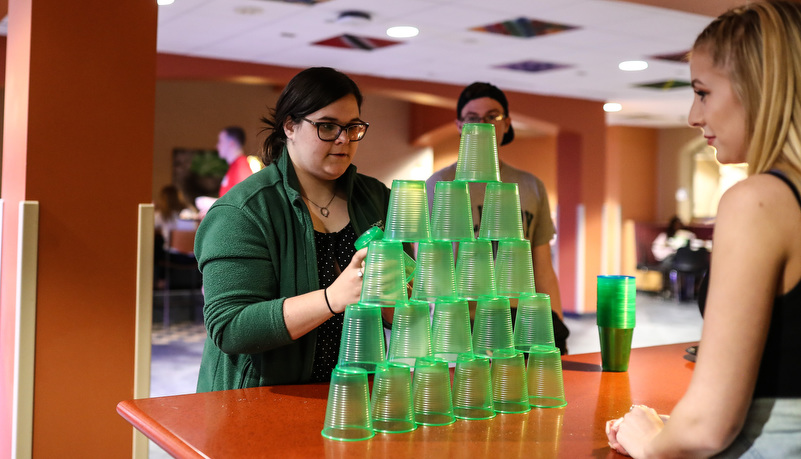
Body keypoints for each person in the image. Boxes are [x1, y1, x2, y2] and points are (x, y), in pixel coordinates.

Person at [606, 2, 801, 456]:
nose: (694, 116)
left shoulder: (757, 200)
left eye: (703, 92)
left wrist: (649, 439)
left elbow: (706, 429)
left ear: (760, 87)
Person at [194, 67, 392, 392]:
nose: (343, 139)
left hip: (354, 394)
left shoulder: (376, 198)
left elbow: (398, 306)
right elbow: (230, 327)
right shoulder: (244, 210)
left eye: (352, 127)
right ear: (290, 126)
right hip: (258, 400)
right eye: (327, 126)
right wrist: (331, 299)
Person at [425, 82, 570, 354]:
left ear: (507, 124)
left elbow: (542, 267)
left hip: (521, 317)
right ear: (459, 126)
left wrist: (555, 326)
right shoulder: (440, 184)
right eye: (472, 118)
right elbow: (429, 268)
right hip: (462, 320)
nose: (483, 125)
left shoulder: (530, 186)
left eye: (493, 116)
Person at [195, 126, 256, 217]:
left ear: (231, 143)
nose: (217, 146)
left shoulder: (241, 167)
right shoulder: (234, 167)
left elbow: (241, 202)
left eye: (220, 141)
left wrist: (211, 203)